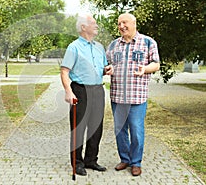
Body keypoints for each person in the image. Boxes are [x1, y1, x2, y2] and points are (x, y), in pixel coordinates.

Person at [105, 12, 160, 176]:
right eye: (119, 23)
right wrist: (108, 69)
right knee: (120, 130)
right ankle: (125, 159)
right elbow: (107, 64)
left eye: (124, 23)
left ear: (134, 23)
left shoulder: (148, 42)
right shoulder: (113, 45)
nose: (121, 26)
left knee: (136, 130)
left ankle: (136, 162)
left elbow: (156, 64)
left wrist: (145, 69)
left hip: (137, 97)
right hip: (117, 97)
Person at [60, 14, 112, 176]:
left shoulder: (99, 47)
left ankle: (91, 160)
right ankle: (77, 163)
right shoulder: (73, 47)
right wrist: (68, 91)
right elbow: (64, 71)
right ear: (83, 27)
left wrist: (107, 70)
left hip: (98, 90)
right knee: (78, 128)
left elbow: (103, 68)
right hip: (80, 91)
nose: (97, 26)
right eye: (93, 23)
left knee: (96, 128)